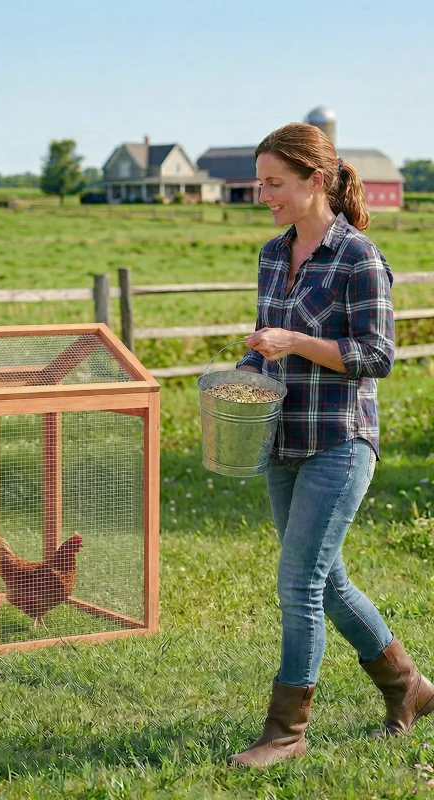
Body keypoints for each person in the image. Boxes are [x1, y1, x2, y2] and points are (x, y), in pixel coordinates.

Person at [226, 123, 434, 768]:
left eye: (276, 183)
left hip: (341, 440)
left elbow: (376, 357)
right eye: (260, 182)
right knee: (329, 579)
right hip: (282, 436)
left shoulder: (359, 257)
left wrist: (294, 342)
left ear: (316, 180)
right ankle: (411, 689)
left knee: (300, 583)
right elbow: (265, 342)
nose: (264, 195)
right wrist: (242, 378)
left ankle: (286, 733)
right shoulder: (270, 254)